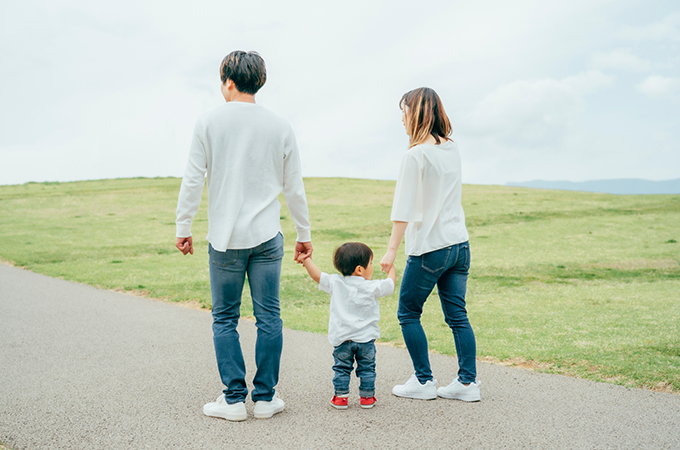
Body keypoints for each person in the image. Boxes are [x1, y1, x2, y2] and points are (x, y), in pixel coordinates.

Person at [175, 50, 313, 421]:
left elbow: (193, 179)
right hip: (268, 236)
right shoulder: (280, 125)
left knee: (225, 318)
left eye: (222, 79)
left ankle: (234, 400)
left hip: (224, 238)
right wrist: (304, 232)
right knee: (269, 317)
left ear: (229, 80)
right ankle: (266, 399)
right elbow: (294, 187)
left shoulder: (208, 121)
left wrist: (183, 227)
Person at [379, 87, 481, 402]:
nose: (401, 118)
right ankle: (467, 383)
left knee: (408, 312)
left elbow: (403, 209)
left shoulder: (415, 155)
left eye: (404, 111)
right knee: (457, 315)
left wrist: (392, 250)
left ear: (417, 113)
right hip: (459, 245)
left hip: (430, 249)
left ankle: (424, 381)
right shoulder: (452, 148)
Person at [298, 243, 396, 409]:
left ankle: (341, 398)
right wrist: (391, 267)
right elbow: (390, 284)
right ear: (359, 269)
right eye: (370, 264)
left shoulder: (335, 282)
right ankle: (367, 398)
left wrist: (306, 260)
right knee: (367, 369)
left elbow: (317, 276)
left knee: (342, 369)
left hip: (342, 339)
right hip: (366, 340)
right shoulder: (372, 286)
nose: (371, 267)